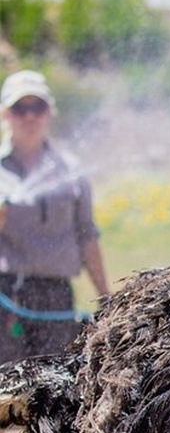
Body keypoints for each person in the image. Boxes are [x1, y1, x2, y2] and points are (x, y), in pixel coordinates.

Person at [0, 69, 110, 365]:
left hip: (56, 296)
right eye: (20, 108)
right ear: (5, 115)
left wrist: (106, 297)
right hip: (6, 295)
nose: (29, 116)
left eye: (38, 107)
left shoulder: (71, 173)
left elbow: (87, 236)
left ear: (50, 113)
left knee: (55, 387)